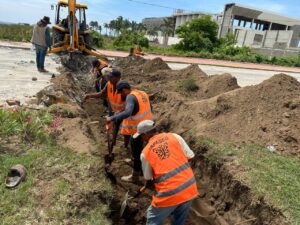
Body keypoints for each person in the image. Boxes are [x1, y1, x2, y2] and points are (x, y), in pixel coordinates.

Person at [134, 120, 198, 225]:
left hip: (169, 193)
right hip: (189, 187)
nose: (142, 139)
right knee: (178, 220)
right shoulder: (175, 137)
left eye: (141, 136)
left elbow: (148, 177)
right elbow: (190, 156)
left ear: (145, 134)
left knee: (153, 219)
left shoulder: (145, 153)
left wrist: (147, 184)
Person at [106, 80, 153, 182]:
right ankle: (140, 166)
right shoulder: (142, 93)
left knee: (136, 152)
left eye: (120, 92)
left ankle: (135, 176)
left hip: (139, 129)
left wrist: (112, 119)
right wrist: (118, 114)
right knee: (142, 150)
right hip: (148, 127)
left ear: (124, 90)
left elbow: (128, 112)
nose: (121, 95)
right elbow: (148, 108)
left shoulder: (130, 97)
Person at [85, 70, 129, 148]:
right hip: (114, 110)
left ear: (118, 78)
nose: (109, 78)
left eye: (111, 77)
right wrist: (90, 95)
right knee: (114, 125)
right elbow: (102, 94)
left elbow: (129, 103)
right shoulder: (109, 84)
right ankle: (113, 142)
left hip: (124, 112)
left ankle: (125, 146)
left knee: (126, 128)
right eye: (109, 77)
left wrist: (120, 113)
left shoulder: (123, 88)